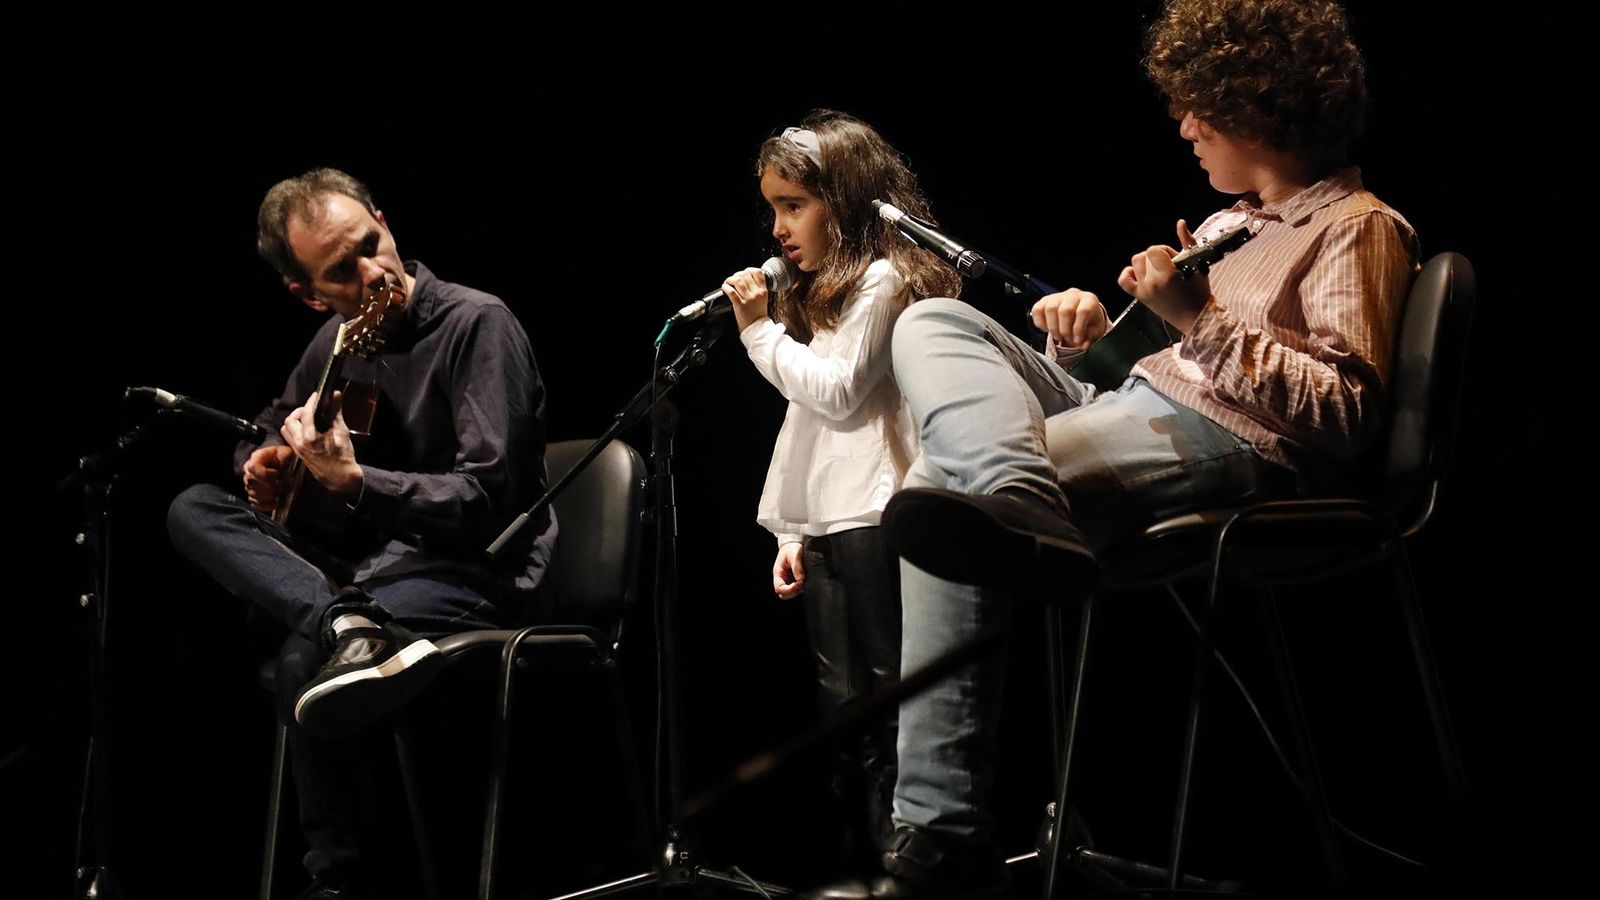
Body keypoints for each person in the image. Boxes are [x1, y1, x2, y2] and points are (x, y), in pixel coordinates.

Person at [857, 2, 1421, 896]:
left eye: (1204, 106)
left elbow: (1342, 412)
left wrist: (1194, 315)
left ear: (1264, 107)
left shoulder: (1357, 224)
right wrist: (1084, 340)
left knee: (939, 495)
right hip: (1128, 399)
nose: (1186, 125)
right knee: (932, 320)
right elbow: (1150, 371)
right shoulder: (1236, 227)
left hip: (1233, 443)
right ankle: (1019, 501)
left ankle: (938, 837)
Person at [166, 168, 557, 899]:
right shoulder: (335, 344)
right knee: (192, 506)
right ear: (310, 293)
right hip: (373, 580)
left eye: (371, 244)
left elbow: (486, 501)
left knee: (299, 660)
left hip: (477, 573)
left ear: (383, 218)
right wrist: (263, 463)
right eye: (341, 271)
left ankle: (340, 885)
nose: (373, 273)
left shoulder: (478, 323)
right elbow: (262, 426)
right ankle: (343, 619)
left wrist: (356, 484)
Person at [717, 110, 961, 877]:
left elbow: (840, 394)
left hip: (878, 513)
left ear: (847, 199)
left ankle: (910, 858)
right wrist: (791, 530)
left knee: (892, 699)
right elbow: (807, 430)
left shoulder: (886, 279)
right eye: (773, 208)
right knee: (841, 708)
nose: (779, 227)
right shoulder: (823, 296)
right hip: (828, 521)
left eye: (795, 205)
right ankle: (860, 855)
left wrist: (758, 331)